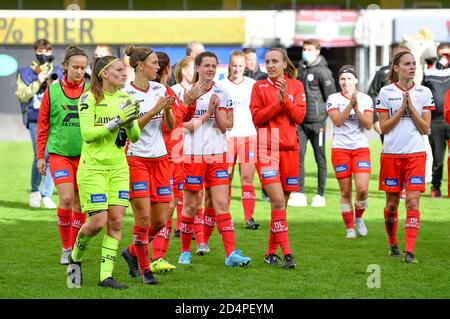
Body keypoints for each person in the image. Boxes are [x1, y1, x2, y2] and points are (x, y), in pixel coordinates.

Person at [66, 55, 141, 289]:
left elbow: (136, 137)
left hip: (118, 168)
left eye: (125, 69)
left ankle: (105, 277)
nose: (125, 73)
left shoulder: (126, 98)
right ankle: (74, 257)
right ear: (104, 74)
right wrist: (118, 120)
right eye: (119, 70)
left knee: (116, 222)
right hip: (93, 169)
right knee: (98, 222)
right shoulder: (88, 99)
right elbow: (88, 134)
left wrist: (129, 124)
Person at [178, 51, 252, 267]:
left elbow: (227, 125)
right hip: (192, 155)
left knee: (221, 203)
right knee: (191, 206)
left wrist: (215, 110)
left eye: (213, 65)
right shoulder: (188, 93)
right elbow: (180, 122)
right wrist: (204, 111)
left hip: (218, 155)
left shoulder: (223, 92)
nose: (210, 69)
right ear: (198, 68)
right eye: (206, 65)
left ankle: (230, 254)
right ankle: (184, 251)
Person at [120, 46, 175, 285]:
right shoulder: (125, 94)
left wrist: (168, 110)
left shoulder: (159, 88)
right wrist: (154, 109)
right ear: (140, 65)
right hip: (136, 159)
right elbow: (131, 131)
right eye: (153, 62)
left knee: (161, 221)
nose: (158, 67)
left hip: (160, 159)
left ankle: (132, 251)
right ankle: (145, 270)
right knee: (142, 219)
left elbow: (170, 126)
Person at [250, 48, 306, 269]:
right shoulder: (259, 86)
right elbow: (257, 118)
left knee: (281, 205)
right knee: (278, 201)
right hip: (266, 147)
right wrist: (279, 103)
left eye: (275, 61)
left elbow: (299, 117)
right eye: (267, 61)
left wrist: (287, 101)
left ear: (285, 64)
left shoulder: (296, 86)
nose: (270, 65)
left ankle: (271, 252)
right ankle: (288, 253)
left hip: (290, 149)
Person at [376, 51, 435, 263]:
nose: (412, 67)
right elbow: (383, 127)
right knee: (392, 205)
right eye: (407, 64)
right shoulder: (385, 92)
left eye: (414, 64)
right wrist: (401, 110)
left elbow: (426, 128)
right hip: (391, 155)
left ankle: (409, 251)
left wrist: (412, 108)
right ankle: (393, 244)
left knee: (412, 202)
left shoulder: (424, 92)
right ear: (396, 68)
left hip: (416, 155)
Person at [36, 45, 89, 265]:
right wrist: (41, 156)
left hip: (86, 156)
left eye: (83, 67)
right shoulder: (52, 91)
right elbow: (43, 125)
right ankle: (65, 248)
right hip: (60, 155)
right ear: (65, 66)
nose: (79, 71)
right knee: (66, 198)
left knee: (79, 204)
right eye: (75, 67)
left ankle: (75, 248)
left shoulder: (92, 90)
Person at [150, 51, 202, 273]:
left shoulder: (167, 91)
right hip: (162, 157)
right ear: (168, 69)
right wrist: (186, 103)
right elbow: (168, 126)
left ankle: (157, 256)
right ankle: (142, 252)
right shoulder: (156, 92)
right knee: (161, 209)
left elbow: (183, 119)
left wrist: (190, 103)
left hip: (175, 155)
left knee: (170, 208)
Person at [15, 39, 63, 209]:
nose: (44, 54)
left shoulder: (58, 71)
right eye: (40, 51)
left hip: (55, 120)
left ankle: (47, 194)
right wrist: (38, 81)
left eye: (47, 51)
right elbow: (21, 95)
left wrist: (55, 86)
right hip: (36, 119)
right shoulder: (25, 72)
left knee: (53, 156)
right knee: (40, 154)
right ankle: (35, 191)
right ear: (35, 51)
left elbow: (65, 95)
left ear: (51, 52)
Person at [326, 65, 373, 239]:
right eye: (342, 79)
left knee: (362, 189)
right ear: (339, 81)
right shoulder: (332, 98)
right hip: (340, 149)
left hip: (360, 148)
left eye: (349, 79)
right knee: (345, 191)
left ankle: (359, 218)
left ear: (356, 80)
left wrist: (356, 108)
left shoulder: (365, 98)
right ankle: (349, 228)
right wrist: (350, 106)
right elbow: (337, 121)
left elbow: (368, 124)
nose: (346, 82)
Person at [289, 39, 336, 207]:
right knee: (298, 156)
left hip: (318, 123)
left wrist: (325, 116)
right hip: (300, 122)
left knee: (320, 158)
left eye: (309, 49)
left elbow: (331, 97)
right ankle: (299, 193)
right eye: (304, 48)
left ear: (317, 51)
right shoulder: (299, 69)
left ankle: (320, 195)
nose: (306, 51)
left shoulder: (324, 72)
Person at [219, 50, 260, 230]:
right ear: (229, 65)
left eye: (240, 66)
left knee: (247, 178)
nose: (237, 69)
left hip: (248, 135)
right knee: (225, 178)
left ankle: (248, 217)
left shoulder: (253, 85)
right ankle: (226, 217)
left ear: (245, 66)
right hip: (227, 138)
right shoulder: (220, 85)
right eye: (234, 65)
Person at [422, 43, 450, 198]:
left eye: (447, 54)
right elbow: (422, 95)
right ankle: (436, 188)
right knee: (437, 159)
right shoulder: (429, 71)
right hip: (436, 122)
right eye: (441, 54)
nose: (444, 57)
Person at [367, 44, 411, 142]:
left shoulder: (412, 73)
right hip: (387, 120)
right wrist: (376, 119)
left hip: (408, 120)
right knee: (388, 151)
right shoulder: (383, 72)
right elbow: (372, 94)